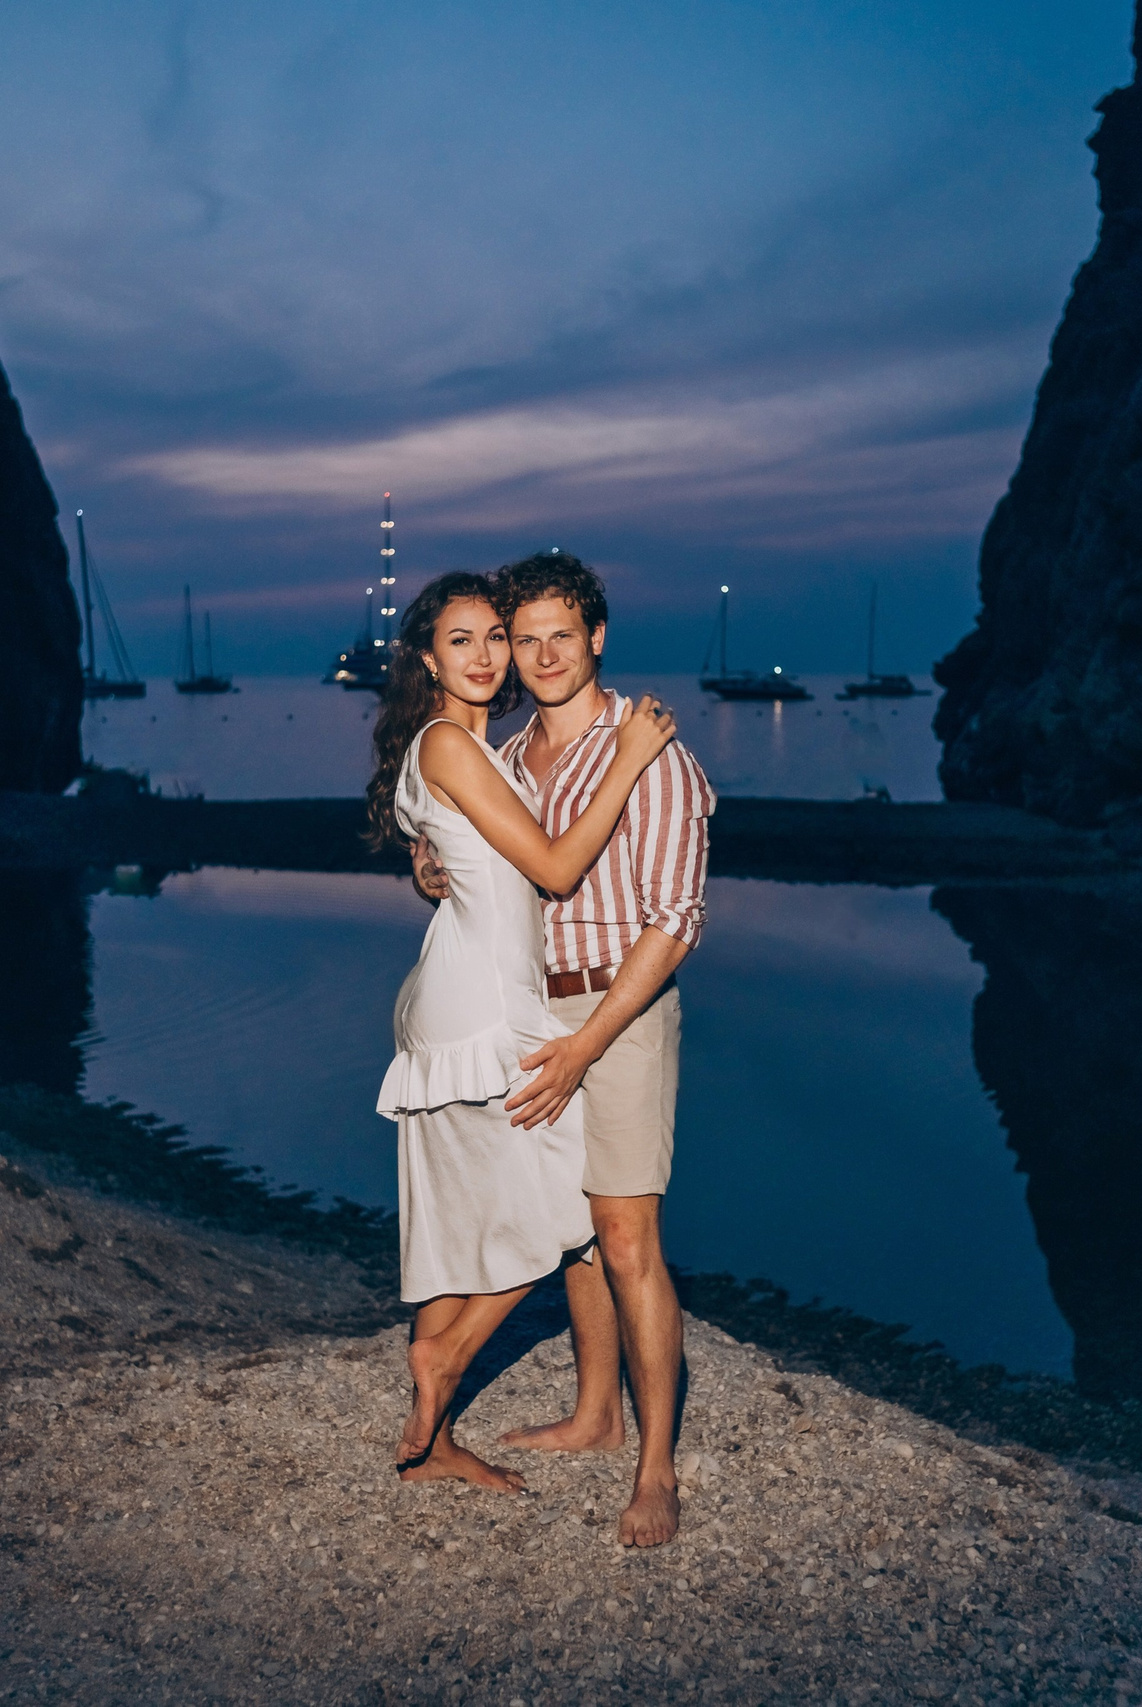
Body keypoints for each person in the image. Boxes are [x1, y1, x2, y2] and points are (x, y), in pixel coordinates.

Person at [412, 551, 714, 1548]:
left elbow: (673, 919)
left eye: (558, 635)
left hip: (613, 1018)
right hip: (531, 1016)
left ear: (596, 639)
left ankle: (656, 1467)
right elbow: (482, 864)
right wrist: (432, 867)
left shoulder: (652, 754)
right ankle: (594, 1414)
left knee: (627, 1239)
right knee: (566, 1224)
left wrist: (588, 1042)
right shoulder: (507, 756)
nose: (538, 655)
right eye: (520, 636)